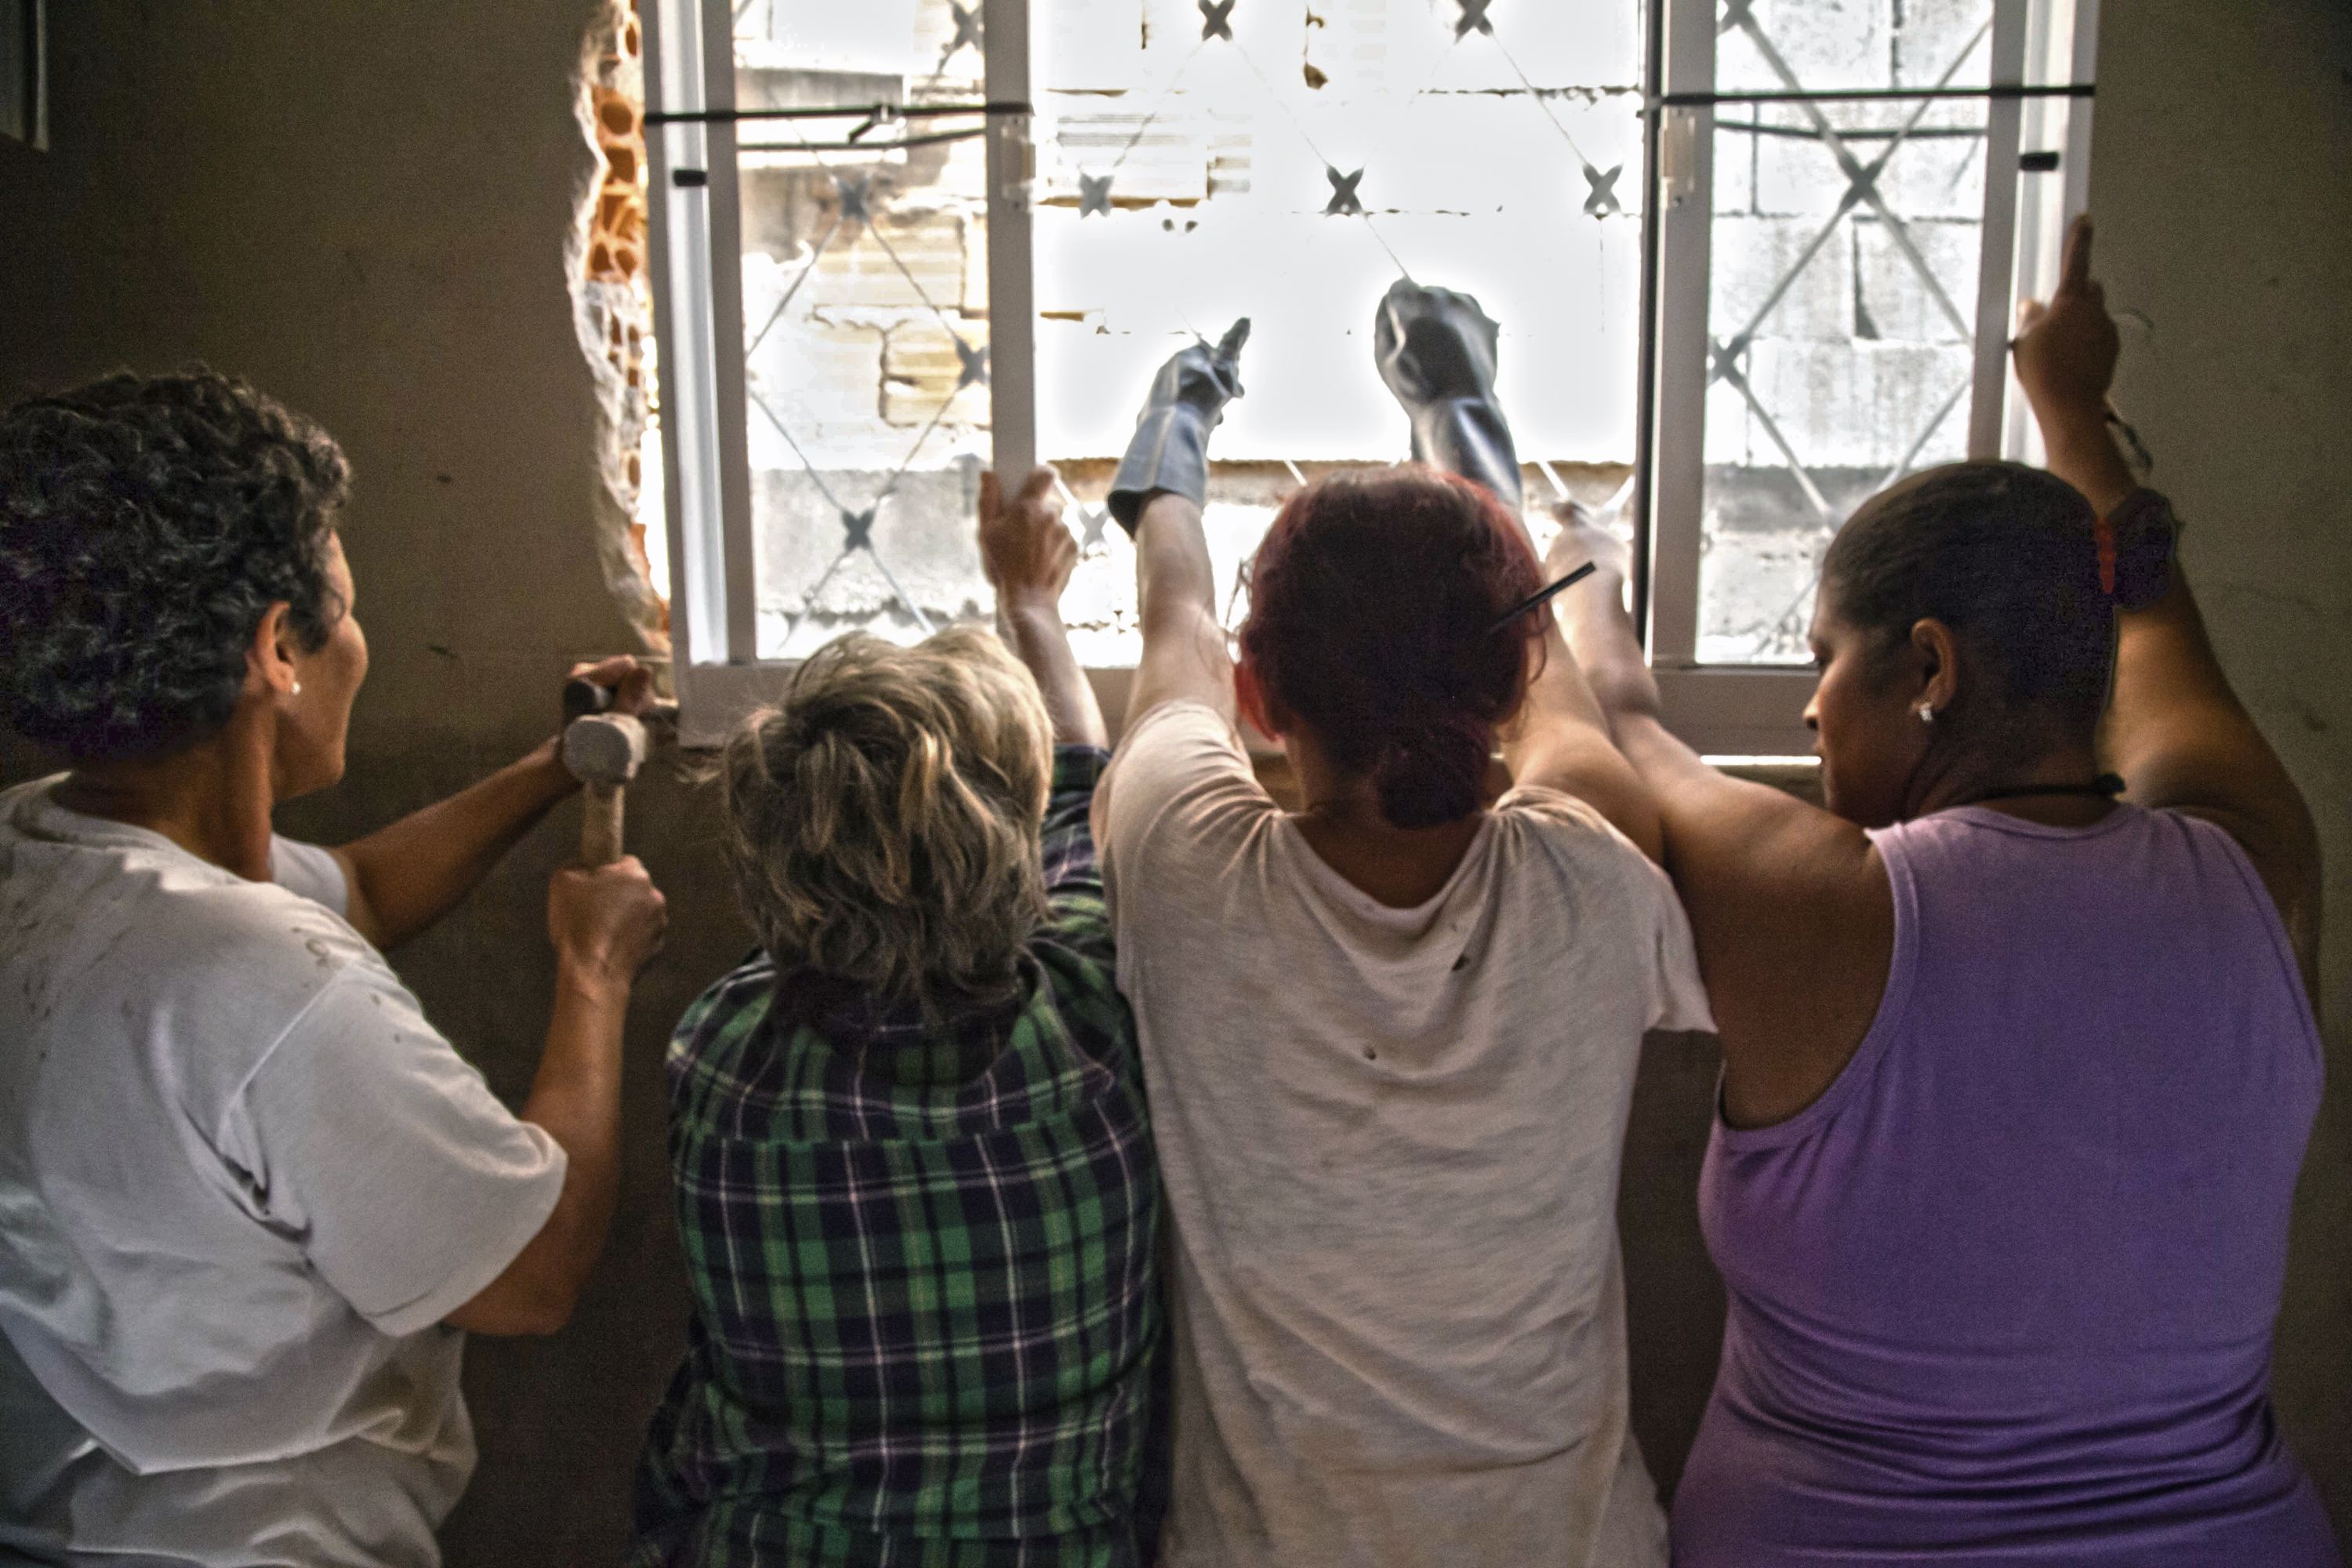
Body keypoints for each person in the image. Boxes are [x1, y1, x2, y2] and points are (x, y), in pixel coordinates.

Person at [1552, 218, 2336, 1565]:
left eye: (1821, 661)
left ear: (1928, 666)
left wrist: (1575, 561)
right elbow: (2147, 615)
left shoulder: (1825, 911)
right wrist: (2075, 413)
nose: (1803, 710)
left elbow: (1628, 730)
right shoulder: (2257, 864)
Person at [0, 369, 670, 1566]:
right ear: (277, 648)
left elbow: (355, 889)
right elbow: (536, 1269)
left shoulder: (49, 846)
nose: (361, 642)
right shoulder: (257, 984)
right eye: (346, 610)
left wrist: (550, 769)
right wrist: (595, 973)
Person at [1092, 286, 1712, 1566]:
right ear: (1507, 677)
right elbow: (1547, 678)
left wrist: (1174, 442)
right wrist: (1457, 411)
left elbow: (1177, 631)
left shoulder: (1180, 867)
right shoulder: (1594, 881)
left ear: (1266, 699)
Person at [630, 467, 1163, 1566]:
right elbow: (1080, 788)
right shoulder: (1099, 1023)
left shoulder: (727, 1058)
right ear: (1007, 850)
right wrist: (1031, 606)